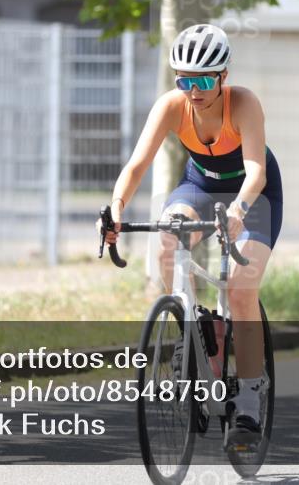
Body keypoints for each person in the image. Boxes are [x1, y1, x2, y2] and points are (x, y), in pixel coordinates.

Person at [102, 23, 283, 448]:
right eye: (184, 81)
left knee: (240, 289)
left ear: (223, 76)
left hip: (253, 195)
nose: (193, 91)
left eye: (202, 81)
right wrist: (116, 209)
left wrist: (238, 211)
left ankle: (249, 398)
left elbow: (255, 172)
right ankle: (193, 328)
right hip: (199, 185)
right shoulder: (172, 105)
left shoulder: (243, 103)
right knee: (167, 240)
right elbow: (136, 165)